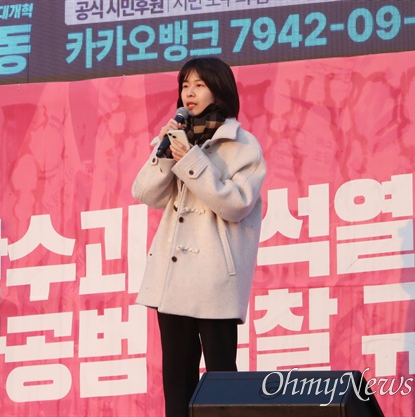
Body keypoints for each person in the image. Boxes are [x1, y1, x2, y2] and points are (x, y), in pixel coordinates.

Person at [132, 57, 266, 417]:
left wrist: (191, 159)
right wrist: (164, 153)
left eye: (199, 85)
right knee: (177, 381)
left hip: (214, 279)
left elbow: (236, 204)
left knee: (222, 380)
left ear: (219, 90)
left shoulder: (242, 145)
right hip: (172, 279)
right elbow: (145, 193)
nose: (189, 93)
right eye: (185, 86)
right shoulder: (177, 138)